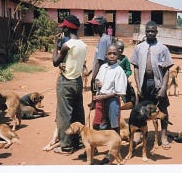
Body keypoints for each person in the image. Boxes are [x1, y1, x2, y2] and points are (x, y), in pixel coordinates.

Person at [130, 20, 174, 149]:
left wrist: (164, 88)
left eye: (152, 31)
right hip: (144, 83)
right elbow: (136, 68)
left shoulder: (163, 48)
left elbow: (166, 70)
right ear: (145, 32)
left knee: (163, 108)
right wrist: (138, 86)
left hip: (158, 83)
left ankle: (164, 136)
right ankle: (139, 135)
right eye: (148, 31)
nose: (150, 33)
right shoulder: (139, 47)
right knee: (140, 109)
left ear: (156, 32)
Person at [52, 15, 87, 154]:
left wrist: (55, 43)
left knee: (64, 115)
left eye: (64, 27)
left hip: (66, 82)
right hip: (77, 81)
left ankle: (66, 146)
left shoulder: (67, 45)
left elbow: (55, 62)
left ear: (66, 28)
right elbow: (73, 61)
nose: (63, 29)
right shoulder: (83, 45)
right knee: (78, 113)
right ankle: (79, 141)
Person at [92, 44, 127, 164]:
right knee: (96, 124)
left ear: (119, 55)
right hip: (100, 100)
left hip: (112, 101)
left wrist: (103, 96)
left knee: (114, 127)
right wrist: (98, 84)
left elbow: (118, 92)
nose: (112, 56)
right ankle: (94, 148)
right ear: (106, 55)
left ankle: (113, 152)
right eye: (109, 53)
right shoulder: (103, 67)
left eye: (115, 54)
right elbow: (97, 81)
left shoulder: (119, 71)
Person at [115, 40, 136, 110]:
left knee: (129, 95)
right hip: (113, 82)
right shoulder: (112, 59)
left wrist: (125, 75)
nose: (120, 50)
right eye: (119, 49)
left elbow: (129, 70)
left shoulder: (125, 59)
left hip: (123, 82)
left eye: (122, 49)